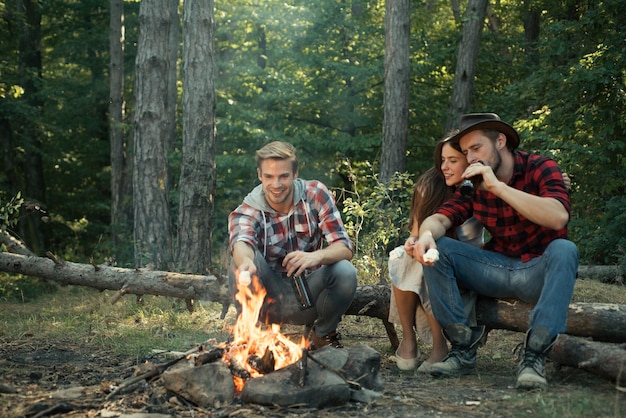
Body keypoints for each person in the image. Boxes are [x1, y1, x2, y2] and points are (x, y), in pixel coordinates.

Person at [412, 113, 578, 390]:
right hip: (496, 270)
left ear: (500, 141)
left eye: (476, 148)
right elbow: (442, 217)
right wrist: (426, 234)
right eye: (466, 152)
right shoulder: (473, 185)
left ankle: (534, 356)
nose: (471, 157)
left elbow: (558, 217)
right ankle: (462, 349)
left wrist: (498, 187)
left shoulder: (541, 167)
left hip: (538, 270)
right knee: (440, 246)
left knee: (565, 249)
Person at [228, 141, 358, 350]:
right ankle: (249, 337)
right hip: (268, 299)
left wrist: (315, 257)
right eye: (269, 176)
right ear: (260, 175)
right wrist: (245, 262)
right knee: (240, 263)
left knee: (345, 270)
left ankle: (323, 334)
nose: (276, 184)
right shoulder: (249, 208)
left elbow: (344, 247)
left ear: (295, 173)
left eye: (283, 176)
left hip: (309, 295)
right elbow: (241, 241)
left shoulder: (316, 194)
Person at [389, 137, 484, 373]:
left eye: (453, 160)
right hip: (429, 260)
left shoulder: (482, 187)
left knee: (435, 253)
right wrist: (413, 244)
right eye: (442, 160)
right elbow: (414, 234)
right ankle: (408, 339)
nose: (444, 167)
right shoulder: (431, 184)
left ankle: (440, 345)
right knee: (403, 255)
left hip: (467, 266)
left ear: (470, 160)